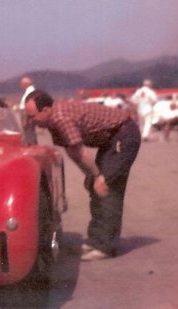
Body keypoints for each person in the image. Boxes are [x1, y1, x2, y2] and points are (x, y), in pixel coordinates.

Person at [24, 90, 141, 261]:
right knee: (95, 186)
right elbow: (72, 151)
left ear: (46, 110)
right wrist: (92, 176)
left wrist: (99, 176)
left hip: (124, 134)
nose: (30, 121)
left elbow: (80, 152)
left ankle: (105, 246)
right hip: (110, 141)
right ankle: (96, 240)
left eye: (32, 116)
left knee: (106, 188)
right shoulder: (52, 120)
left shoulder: (60, 118)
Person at [19, 76, 37, 145]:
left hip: (27, 115)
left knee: (29, 134)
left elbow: (28, 106)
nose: (21, 85)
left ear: (25, 84)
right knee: (29, 133)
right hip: (26, 114)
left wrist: (25, 119)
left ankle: (32, 148)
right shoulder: (29, 91)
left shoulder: (30, 91)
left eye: (22, 83)